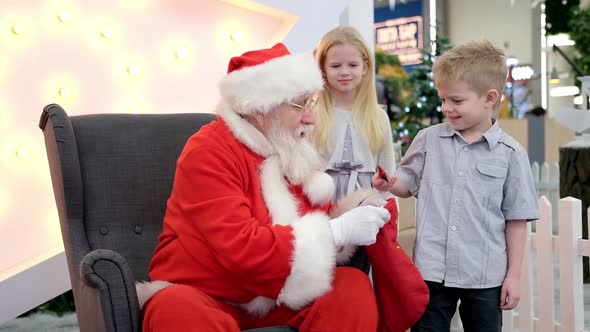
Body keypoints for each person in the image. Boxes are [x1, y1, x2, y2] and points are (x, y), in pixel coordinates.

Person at [135, 43, 394, 332]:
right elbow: (240, 248)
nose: (311, 117)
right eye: (299, 104)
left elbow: (313, 217)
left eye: (312, 102)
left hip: (278, 296)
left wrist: (354, 212)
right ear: (260, 109)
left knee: (351, 288)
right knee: (176, 310)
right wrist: (336, 231)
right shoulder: (208, 151)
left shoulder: (291, 146)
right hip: (208, 291)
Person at [373, 40, 540, 331]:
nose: (446, 107)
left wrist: (513, 276)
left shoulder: (511, 154)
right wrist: (391, 183)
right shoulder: (427, 140)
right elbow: (407, 184)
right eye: (442, 99)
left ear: (489, 98)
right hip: (431, 269)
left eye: (456, 100)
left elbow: (516, 220)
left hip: (485, 275)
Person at [313, 26, 428, 332]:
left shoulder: (377, 116)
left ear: (365, 67)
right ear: (322, 68)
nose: (345, 72)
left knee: (359, 277)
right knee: (321, 277)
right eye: (335, 65)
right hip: (324, 206)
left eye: (352, 65)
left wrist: (385, 197)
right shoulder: (313, 111)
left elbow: (387, 171)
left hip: (364, 206)